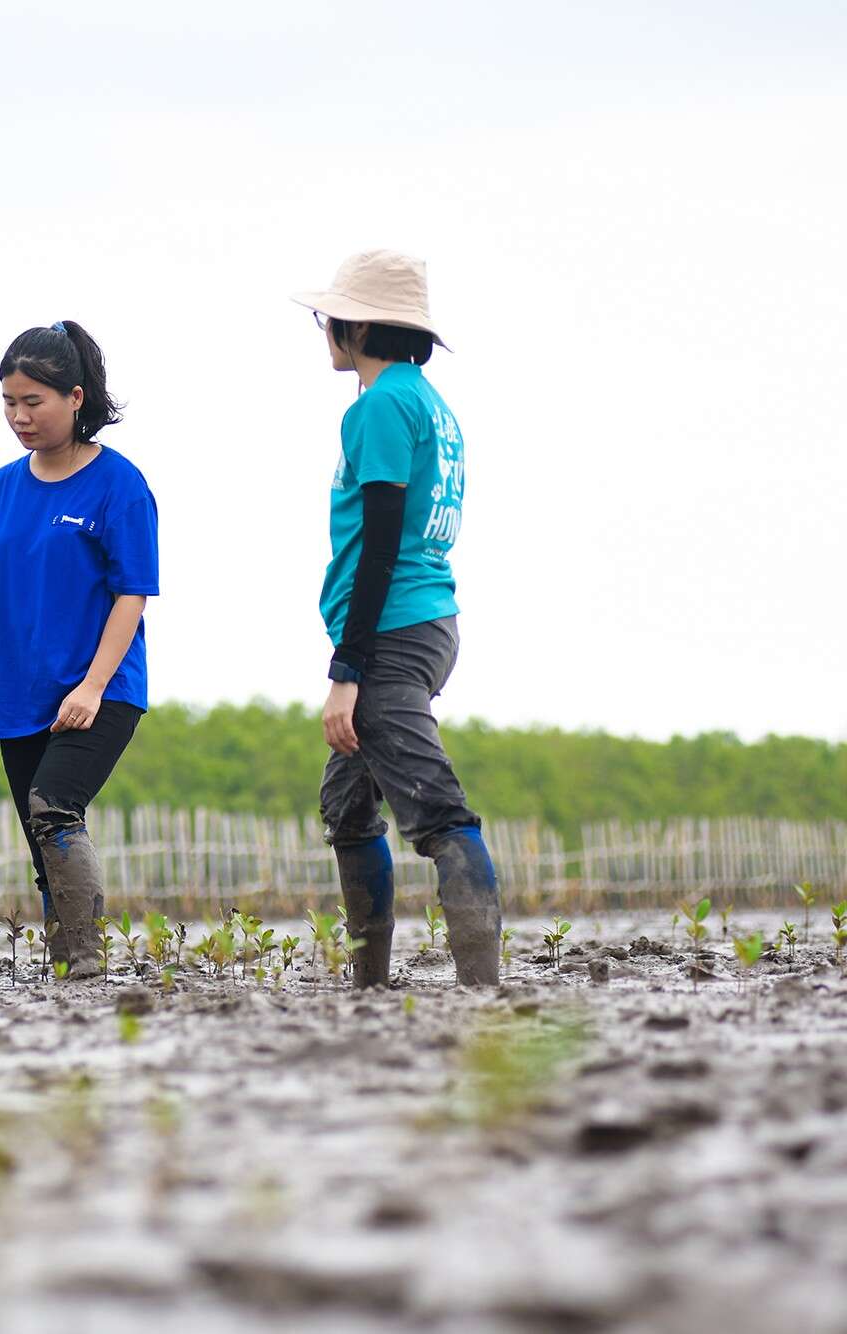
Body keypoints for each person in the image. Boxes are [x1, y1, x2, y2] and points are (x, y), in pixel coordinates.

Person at [292, 250, 501, 988]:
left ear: (357, 327)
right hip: (426, 621)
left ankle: (483, 992)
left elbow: (381, 541)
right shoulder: (430, 404)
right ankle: (369, 984)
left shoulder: (380, 406)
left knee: (436, 809)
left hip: (389, 631)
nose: (325, 332)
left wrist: (346, 671)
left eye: (330, 319)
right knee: (346, 806)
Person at [0, 323, 159, 981]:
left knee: (54, 808)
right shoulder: (0, 489)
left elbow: (133, 595)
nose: (19, 417)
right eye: (9, 402)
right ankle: (67, 974)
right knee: (44, 845)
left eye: (33, 402)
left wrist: (93, 687)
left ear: (75, 398)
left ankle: (87, 968)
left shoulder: (118, 485)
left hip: (98, 691)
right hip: (18, 698)